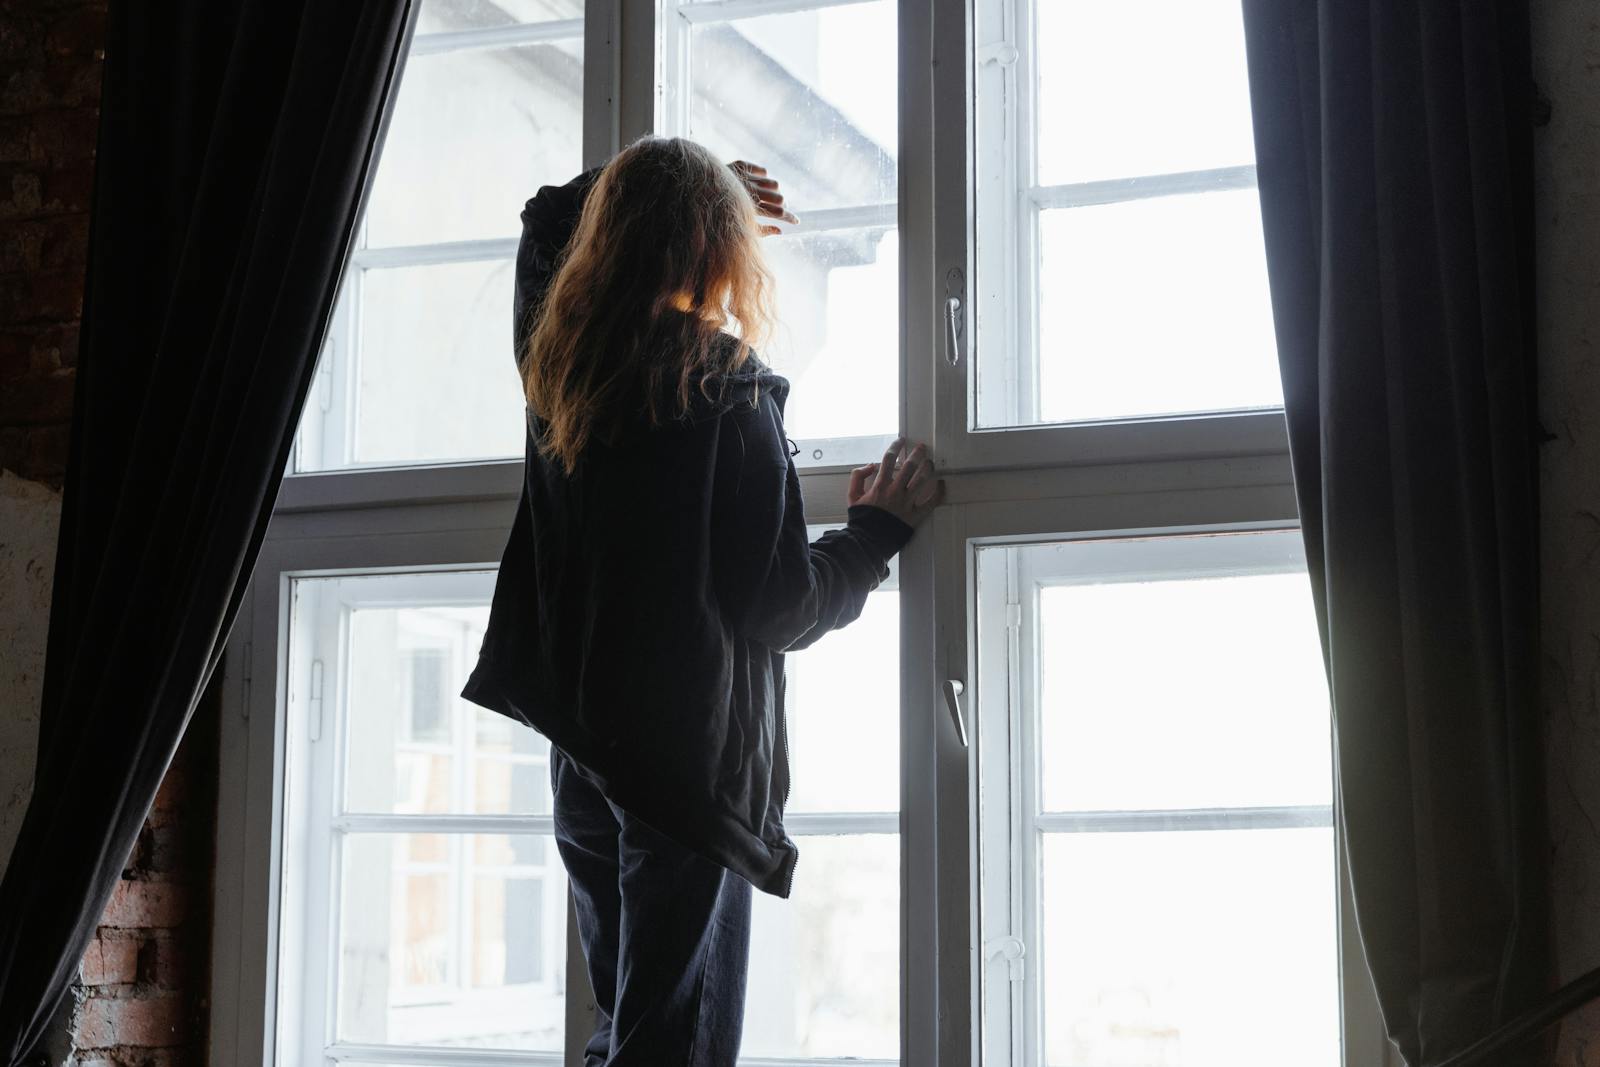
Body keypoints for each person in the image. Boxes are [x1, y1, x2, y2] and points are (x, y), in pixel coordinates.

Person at [460, 136, 941, 1067]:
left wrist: (685, 183)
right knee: (665, 1050)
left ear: (608, 232)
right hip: (682, 776)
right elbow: (781, 605)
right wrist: (874, 534)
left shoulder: (557, 362)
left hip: (584, 754)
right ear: (721, 250)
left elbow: (546, 218)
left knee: (626, 1033)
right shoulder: (725, 391)